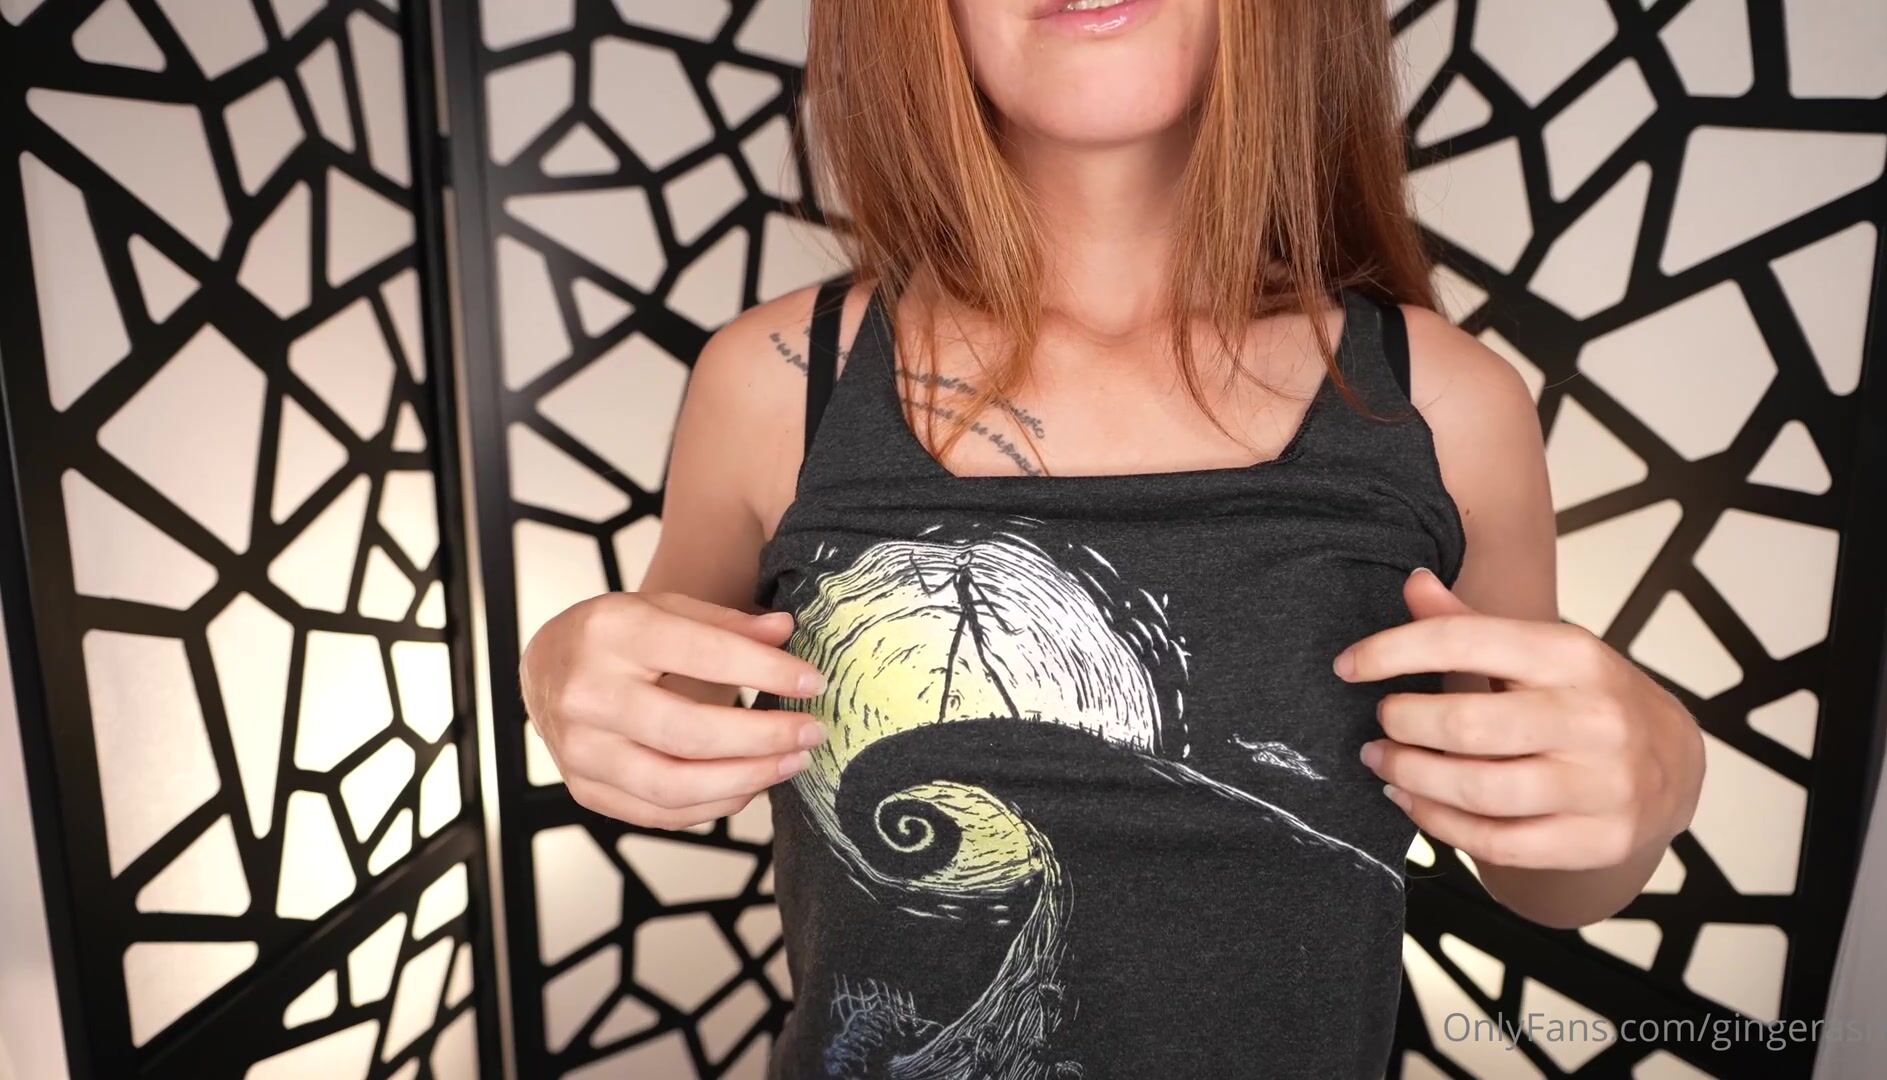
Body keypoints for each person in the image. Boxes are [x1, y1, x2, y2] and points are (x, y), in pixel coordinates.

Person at [519, 0, 1706, 1075]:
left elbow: (1544, 874)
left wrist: (1657, 776)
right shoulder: (777, 382)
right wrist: (562, 671)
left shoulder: (1450, 403)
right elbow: (654, 726)